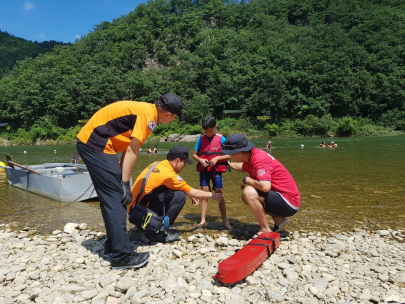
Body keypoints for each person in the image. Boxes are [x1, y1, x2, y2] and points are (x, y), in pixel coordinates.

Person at [76, 92, 185, 270]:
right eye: (175, 117)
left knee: (112, 196)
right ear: (168, 114)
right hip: (96, 144)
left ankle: (112, 247)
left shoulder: (147, 111)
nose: (173, 120)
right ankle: (122, 256)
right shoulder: (148, 116)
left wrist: (121, 178)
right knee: (117, 198)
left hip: (98, 144)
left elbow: (127, 148)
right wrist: (125, 184)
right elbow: (133, 150)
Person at [127, 145, 224, 242]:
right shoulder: (169, 175)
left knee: (177, 192)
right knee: (180, 196)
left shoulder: (158, 164)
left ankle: (146, 226)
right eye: (184, 162)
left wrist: (189, 194)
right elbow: (195, 193)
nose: (184, 166)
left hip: (134, 211)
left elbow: (172, 186)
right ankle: (157, 233)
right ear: (178, 161)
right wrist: (213, 195)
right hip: (141, 215)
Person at [222, 134, 300, 236]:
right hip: (284, 198)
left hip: (288, 201)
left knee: (248, 192)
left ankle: (265, 229)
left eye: (231, 153)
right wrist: (229, 164)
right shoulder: (251, 155)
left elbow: (265, 187)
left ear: (239, 152)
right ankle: (279, 219)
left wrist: (246, 179)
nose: (230, 155)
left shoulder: (259, 159)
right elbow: (243, 167)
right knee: (245, 196)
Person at [192, 115, 232, 230]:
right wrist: (200, 160)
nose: (208, 133)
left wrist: (217, 159)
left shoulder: (222, 139)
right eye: (205, 131)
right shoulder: (201, 139)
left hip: (217, 171)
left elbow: (231, 154)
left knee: (219, 194)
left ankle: (224, 220)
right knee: (204, 195)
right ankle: (202, 220)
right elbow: (194, 155)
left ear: (216, 127)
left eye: (210, 131)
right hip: (204, 171)